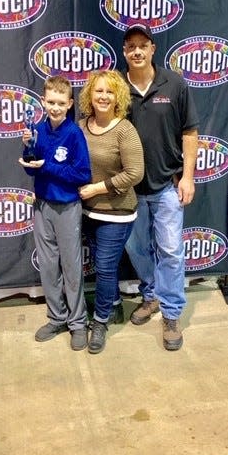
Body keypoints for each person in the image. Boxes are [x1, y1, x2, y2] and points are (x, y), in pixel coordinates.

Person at [121, 23, 199, 351]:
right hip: (129, 189)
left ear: (153, 48)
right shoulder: (116, 89)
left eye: (142, 45)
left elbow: (190, 133)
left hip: (167, 185)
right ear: (125, 53)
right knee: (136, 249)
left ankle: (170, 312)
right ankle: (150, 296)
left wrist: (188, 176)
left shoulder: (175, 84)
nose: (136, 51)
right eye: (130, 47)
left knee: (169, 250)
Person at [18, 75, 92, 351]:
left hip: (68, 208)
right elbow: (30, 168)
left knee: (72, 268)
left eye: (61, 103)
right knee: (48, 266)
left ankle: (77, 323)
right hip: (42, 206)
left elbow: (82, 173)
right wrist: (27, 149)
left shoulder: (74, 134)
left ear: (70, 103)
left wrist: (46, 165)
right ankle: (56, 317)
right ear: (42, 101)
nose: (55, 107)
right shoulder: (36, 128)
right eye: (51, 102)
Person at [78, 70, 144, 354]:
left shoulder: (124, 130)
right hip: (86, 211)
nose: (103, 96)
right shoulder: (80, 126)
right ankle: (115, 306)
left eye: (109, 91)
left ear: (118, 97)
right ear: (89, 96)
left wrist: (97, 189)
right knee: (104, 266)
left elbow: (135, 173)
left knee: (104, 267)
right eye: (98, 91)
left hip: (116, 212)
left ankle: (101, 322)